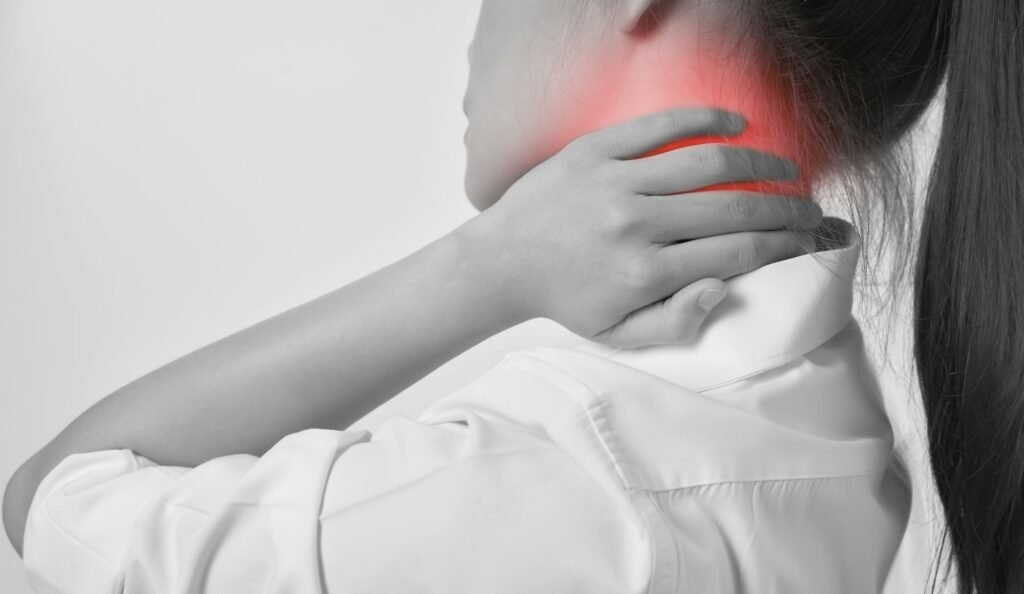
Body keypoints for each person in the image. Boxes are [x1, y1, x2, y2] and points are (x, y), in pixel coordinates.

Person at [3, 0, 1019, 593]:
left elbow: (62, 503)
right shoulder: (826, 423)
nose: (474, 24)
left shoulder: (573, 478)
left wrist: (477, 267)